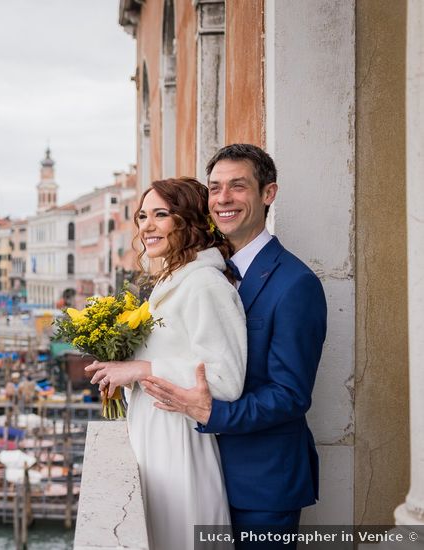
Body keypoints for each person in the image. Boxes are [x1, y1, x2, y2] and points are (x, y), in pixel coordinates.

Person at [142, 144, 327, 549]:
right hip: (195, 472)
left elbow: (290, 395)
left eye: (238, 187)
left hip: (259, 486)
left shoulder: (296, 285)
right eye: (215, 188)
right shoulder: (198, 271)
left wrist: (212, 411)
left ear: (268, 194)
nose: (223, 199)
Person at [84, 177, 245, 550]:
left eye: (161, 214)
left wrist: (141, 370)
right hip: (156, 442)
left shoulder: (205, 284)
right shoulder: (172, 281)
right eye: (142, 216)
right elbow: (174, 354)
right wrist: (122, 369)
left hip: (180, 448)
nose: (147, 226)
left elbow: (226, 380)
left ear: (187, 221)